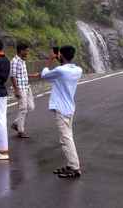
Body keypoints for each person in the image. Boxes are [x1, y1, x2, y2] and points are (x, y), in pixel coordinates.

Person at [40, 45, 83, 179]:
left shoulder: (60, 71)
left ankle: (75, 167)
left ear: (61, 55)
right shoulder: (78, 70)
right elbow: (61, 72)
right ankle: (71, 165)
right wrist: (60, 58)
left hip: (61, 109)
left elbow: (44, 75)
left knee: (66, 138)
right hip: (70, 107)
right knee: (65, 137)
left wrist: (50, 59)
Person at [10, 42, 34, 138]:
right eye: (26, 50)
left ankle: (16, 123)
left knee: (31, 107)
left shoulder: (22, 60)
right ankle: (20, 131)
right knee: (23, 108)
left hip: (27, 87)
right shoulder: (14, 61)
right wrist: (16, 90)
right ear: (21, 51)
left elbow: (22, 75)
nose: (27, 52)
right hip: (20, 88)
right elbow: (12, 76)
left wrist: (33, 75)